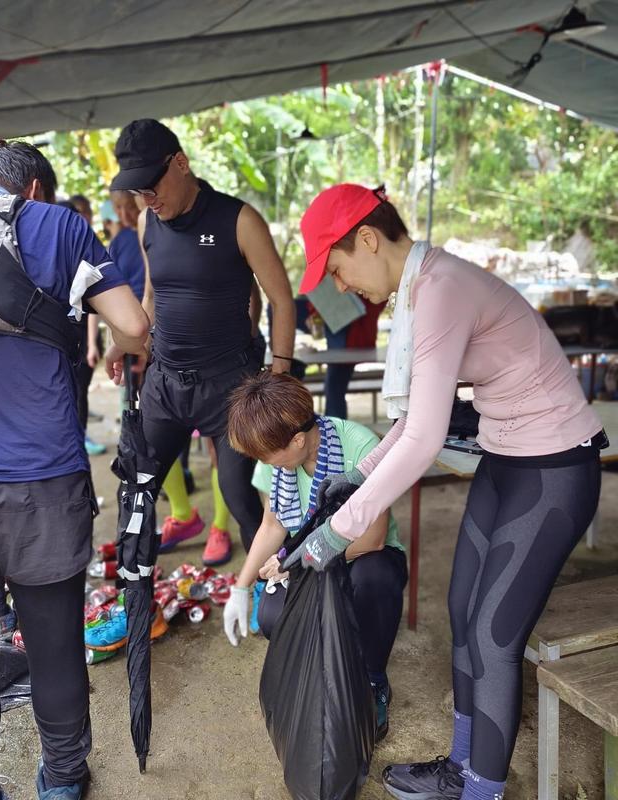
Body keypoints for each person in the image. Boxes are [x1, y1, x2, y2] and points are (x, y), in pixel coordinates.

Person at [286, 183, 605, 800]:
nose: (342, 286)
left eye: (339, 267)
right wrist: (358, 474)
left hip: (555, 470)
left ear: (369, 240)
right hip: (506, 460)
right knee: (462, 611)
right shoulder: (417, 290)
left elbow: (427, 437)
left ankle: (482, 789)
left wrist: (338, 529)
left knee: (493, 635)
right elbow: (411, 422)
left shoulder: (440, 288)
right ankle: (463, 766)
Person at [0, 140, 149, 800]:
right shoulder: (59, 227)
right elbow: (132, 325)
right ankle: (63, 782)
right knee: (52, 646)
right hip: (40, 483)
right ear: (35, 190)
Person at [107, 118, 295, 563]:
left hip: (229, 386)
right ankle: (136, 603)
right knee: (137, 485)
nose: (147, 201)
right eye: (138, 193)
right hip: (165, 383)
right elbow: (152, 297)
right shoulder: (145, 226)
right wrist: (124, 341)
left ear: (181, 164)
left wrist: (281, 373)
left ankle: (271, 586)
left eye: (152, 188)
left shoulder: (239, 219)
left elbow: (281, 300)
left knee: (238, 494)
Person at [222, 371, 407, 740]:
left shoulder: (359, 446)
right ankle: (328, 671)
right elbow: (273, 526)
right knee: (272, 618)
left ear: (298, 439)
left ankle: (372, 680)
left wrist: (297, 564)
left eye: (269, 456)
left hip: (361, 557)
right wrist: (240, 588)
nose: (265, 463)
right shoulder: (276, 454)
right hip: (305, 561)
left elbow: (371, 539)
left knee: (375, 581)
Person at [70, 193, 107, 456]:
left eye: (86, 211)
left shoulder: (89, 246)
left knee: (80, 393)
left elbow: (93, 302)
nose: (84, 216)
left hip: (84, 338)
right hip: (71, 338)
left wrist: (93, 343)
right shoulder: (67, 246)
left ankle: (79, 440)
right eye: (79, 211)